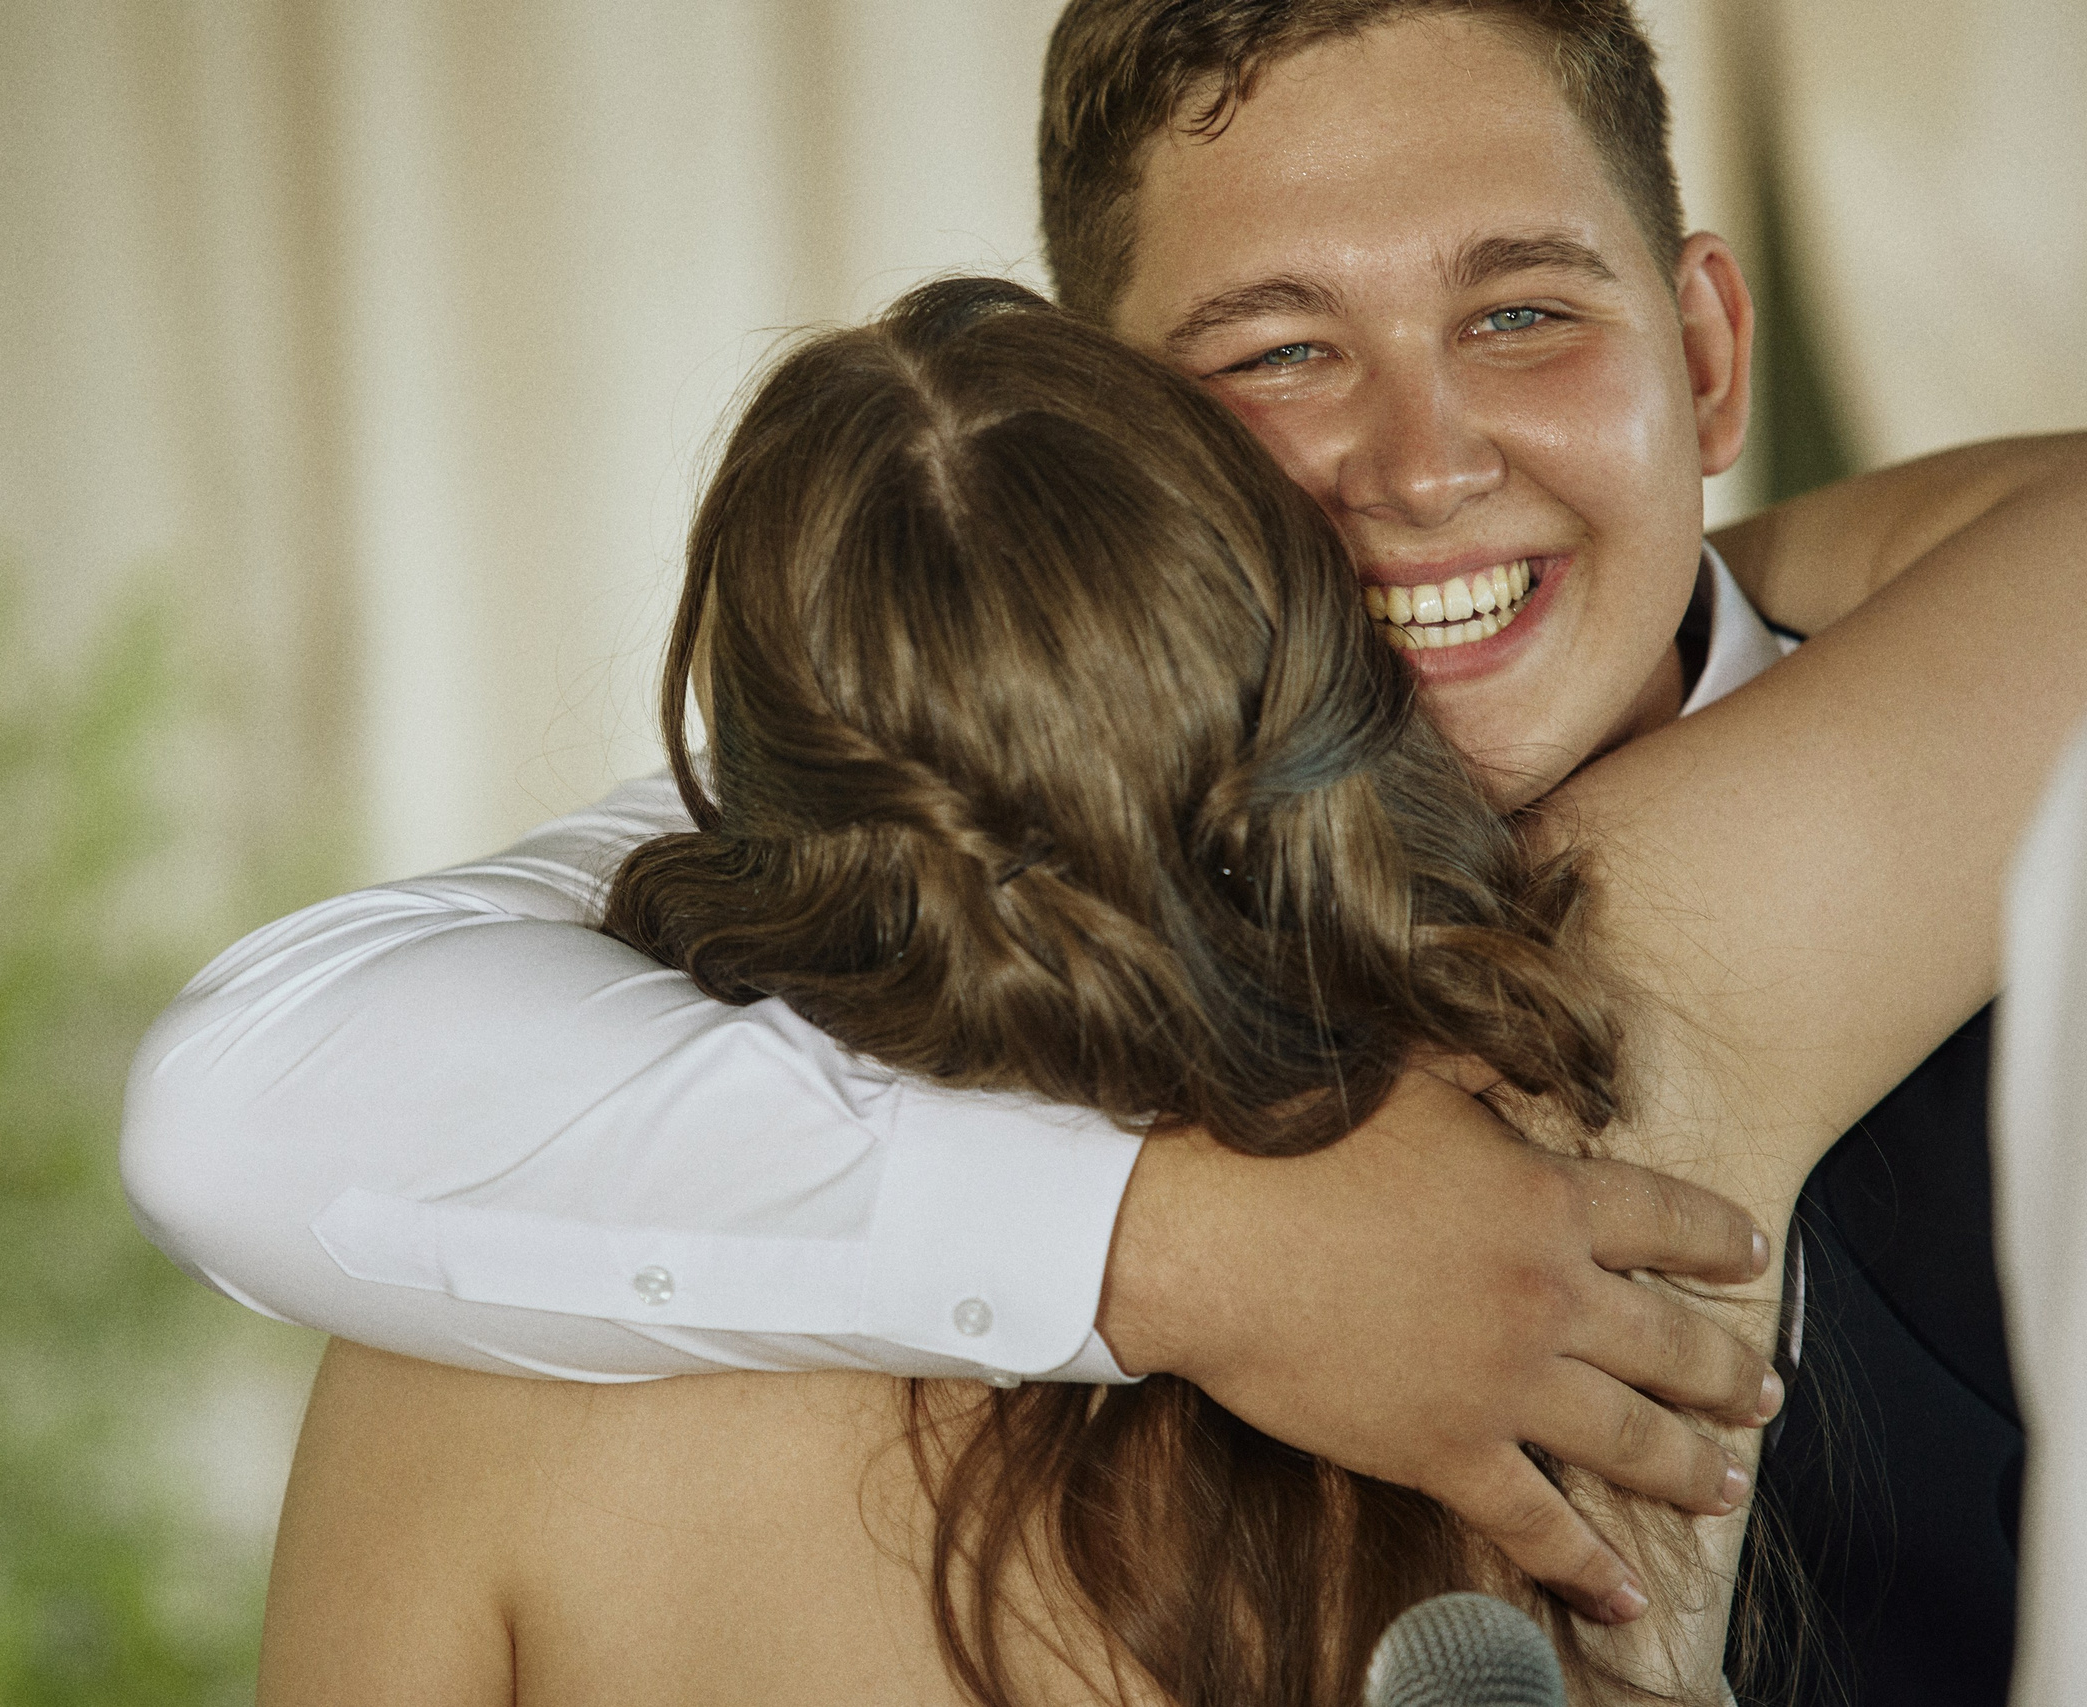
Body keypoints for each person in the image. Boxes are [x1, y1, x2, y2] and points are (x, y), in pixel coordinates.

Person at [119, 2, 2083, 1694]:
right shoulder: (1687, 959)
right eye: (1277, 355)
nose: (1424, 465)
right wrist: (1178, 1246)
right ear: (1102, 438)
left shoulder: (1988, 840)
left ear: (1704, 349)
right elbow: (247, 1087)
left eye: (1518, 312)